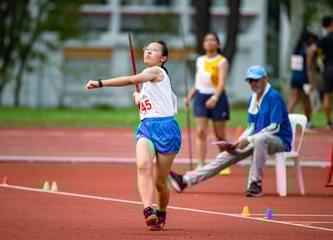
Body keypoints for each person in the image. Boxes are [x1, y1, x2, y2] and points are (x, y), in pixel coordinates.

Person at [86, 40, 181, 230]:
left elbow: (131, 80)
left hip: (167, 129)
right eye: (146, 49)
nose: (148, 52)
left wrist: (100, 83)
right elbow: (154, 102)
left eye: (153, 50)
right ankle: (148, 210)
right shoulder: (149, 80)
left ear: (163, 58)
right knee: (143, 165)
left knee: (160, 182)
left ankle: (161, 212)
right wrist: (140, 99)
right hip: (147, 127)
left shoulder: (156, 72)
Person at [168, 65, 292, 197]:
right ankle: (186, 180)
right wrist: (238, 142)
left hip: (279, 140)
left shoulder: (274, 97)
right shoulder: (252, 99)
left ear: (265, 79)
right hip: (258, 139)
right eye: (250, 81)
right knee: (226, 155)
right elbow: (251, 127)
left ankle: (255, 184)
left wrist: (248, 140)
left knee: (260, 139)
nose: (253, 83)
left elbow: (275, 127)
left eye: (256, 80)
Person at [184, 32, 230, 173]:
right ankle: (200, 164)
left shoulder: (222, 61)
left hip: (218, 98)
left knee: (219, 134)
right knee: (201, 132)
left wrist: (214, 98)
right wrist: (189, 97)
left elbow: (221, 82)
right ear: (203, 44)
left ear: (218, 44)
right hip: (200, 98)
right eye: (207, 40)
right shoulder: (200, 60)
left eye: (212, 40)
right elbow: (198, 82)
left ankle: (224, 162)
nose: (209, 42)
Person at [306, 15, 333, 130]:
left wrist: (309, 65)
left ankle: (328, 122)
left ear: (323, 26)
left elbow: (311, 49)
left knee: (327, 95)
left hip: (328, 69)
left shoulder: (324, 39)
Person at [287, 29, 317, 129]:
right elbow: (308, 67)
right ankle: (308, 121)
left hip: (294, 77)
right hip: (304, 78)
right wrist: (311, 82)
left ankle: (284, 120)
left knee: (293, 100)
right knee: (306, 100)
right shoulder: (308, 50)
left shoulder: (296, 48)